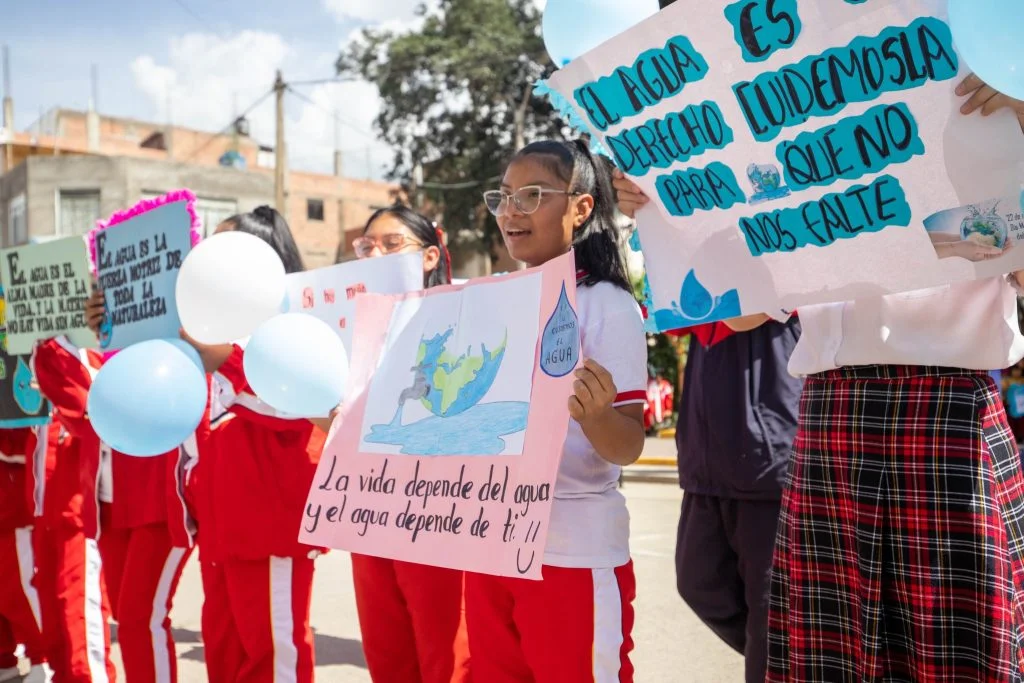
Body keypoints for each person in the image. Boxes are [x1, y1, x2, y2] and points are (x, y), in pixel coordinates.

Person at [724, 74, 1024, 681]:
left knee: (960, 656)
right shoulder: (791, 115)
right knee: (831, 658)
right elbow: (741, 312)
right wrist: (671, 212)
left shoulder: (983, 92)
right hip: (834, 420)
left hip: (948, 418)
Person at [465, 139, 647, 682]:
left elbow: (629, 443)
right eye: (503, 196)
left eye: (532, 195)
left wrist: (594, 415)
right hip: (491, 543)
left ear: (581, 207)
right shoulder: (488, 298)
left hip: (572, 552)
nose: (510, 211)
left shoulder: (607, 304)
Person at [613, 170, 803, 682]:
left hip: (771, 449)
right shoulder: (699, 245)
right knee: (700, 583)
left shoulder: (788, 219)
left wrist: (675, 225)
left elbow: (744, 313)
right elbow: (674, 308)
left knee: (771, 617)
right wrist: (651, 212)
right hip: (708, 449)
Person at [182, 206, 322, 683]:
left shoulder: (297, 327)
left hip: (268, 526)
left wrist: (227, 360)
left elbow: (299, 404)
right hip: (220, 529)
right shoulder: (206, 336)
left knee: (271, 656)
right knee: (223, 653)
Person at [343, 204, 473, 683]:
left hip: (436, 513)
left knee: (446, 656)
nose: (374, 252)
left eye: (391, 244)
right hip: (367, 511)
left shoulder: (464, 317)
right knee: (388, 656)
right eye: (366, 246)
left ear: (430, 257)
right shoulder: (347, 331)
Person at [76, 291, 199, 683]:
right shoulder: (106, 346)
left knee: (140, 618)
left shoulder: (176, 338)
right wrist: (101, 331)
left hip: (158, 499)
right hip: (111, 500)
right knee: (128, 621)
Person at [31, 338, 118, 682]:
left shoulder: (90, 353)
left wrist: (49, 347)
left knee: (78, 613)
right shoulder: (40, 351)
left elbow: (88, 410)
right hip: (44, 508)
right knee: (53, 619)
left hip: (79, 510)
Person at [0, 427, 47, 682]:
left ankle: (45, 657)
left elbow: (27, 444)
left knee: (21, 591)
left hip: (10, 511)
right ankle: (4, 658)